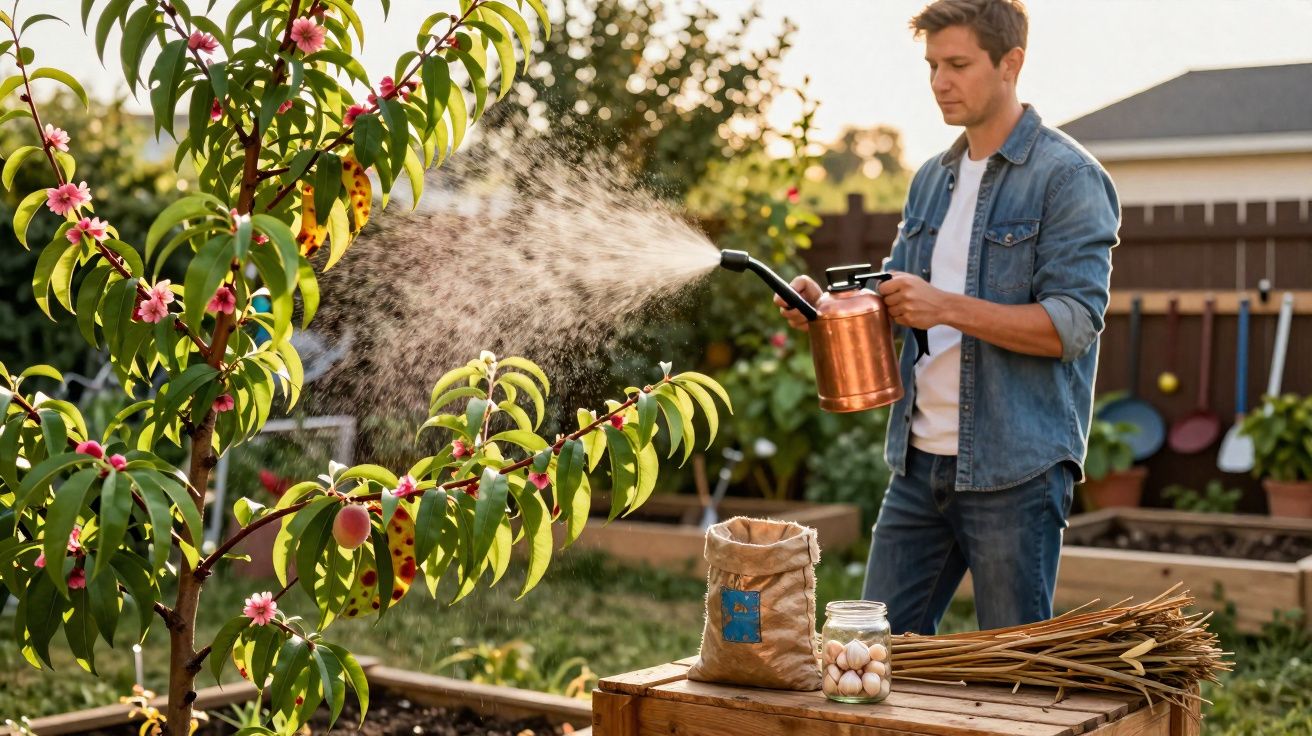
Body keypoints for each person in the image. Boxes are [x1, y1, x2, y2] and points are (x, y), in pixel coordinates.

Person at [775, 0, 1120, 634]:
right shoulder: (932, 180)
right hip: (918, 464)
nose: (939, 81)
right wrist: (826, 310)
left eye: (958, 64)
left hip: (1015, 471)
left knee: (1011, 681)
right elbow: (898, 302)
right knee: (866, 654)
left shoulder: (1067, 178)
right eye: (933, 65)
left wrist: (946, 307)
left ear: (1010, 63)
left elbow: (1072, 326)